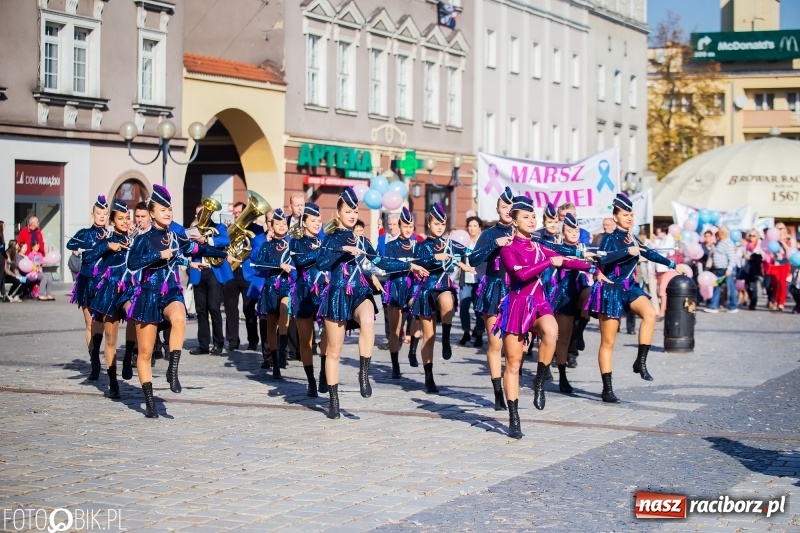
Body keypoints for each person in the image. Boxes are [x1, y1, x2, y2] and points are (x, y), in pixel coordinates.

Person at [494, 196, 601, 438]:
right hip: (517, 306)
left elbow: (566, 262)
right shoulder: (508, 249)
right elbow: (521, 276)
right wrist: (547, 262)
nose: (531, 220)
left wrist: (592, 267)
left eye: (533, 216)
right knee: (513, 363)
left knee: (552, 331)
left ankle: (539, 381)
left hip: (539, 303)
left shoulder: (540, 246)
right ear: (513, 220)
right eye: (526, 217)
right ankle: (514, 417)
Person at [316, 187, 428, 419]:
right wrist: (342, 250)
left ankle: (364, 374)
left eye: (355, 211)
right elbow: (321, 263)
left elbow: (381, 263)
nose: (352, 215)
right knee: (334, 351)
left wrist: (409, 266)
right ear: (338, 214)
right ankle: (334, 401)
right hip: (337, 294)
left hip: (359, 292)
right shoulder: (330, 239)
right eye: (348, 211)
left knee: (368, 320)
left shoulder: (364, 242)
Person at [126, 185, 226, 418]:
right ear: (152, 213)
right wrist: (158, 255)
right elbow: (132, 263)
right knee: (145, 352)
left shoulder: (175, 235)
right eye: (163, 209)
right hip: (148, 293)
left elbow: (194, 247)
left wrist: (223, 253)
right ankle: (150, 402)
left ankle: (173, 369)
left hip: (170, 289)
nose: (168, 213)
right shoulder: (144, 239)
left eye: (170, 209)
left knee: (180, 317)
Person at [587, 194, 691, 403]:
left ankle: (640, 361)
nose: (630, 218)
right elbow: (603, 257)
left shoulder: (633, 237)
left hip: (630, 287)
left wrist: (673, 265)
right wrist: (628, 251)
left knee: (650, 314)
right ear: (615, 217)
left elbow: (650, 253)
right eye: (625, 214)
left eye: (631, 215)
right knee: (608, 341)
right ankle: (607, 388)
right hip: (611, 289)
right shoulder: (609, 237)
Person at [410, 203, 474, 394]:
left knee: (448, 300)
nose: (439, 227)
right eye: (436, 223)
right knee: (428, 337)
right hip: (426, 290)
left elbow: (469, 252)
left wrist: (491, 247)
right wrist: (435, 257)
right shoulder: (421, 246)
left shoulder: (450, 243)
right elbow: (418, 261)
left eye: (442, 223)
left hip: (443, 287)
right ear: (429, 223)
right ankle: (429, 377)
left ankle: (446, 338)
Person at [468, 186, 515, 410]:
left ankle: (512, 382)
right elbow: (473, 259)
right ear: (497, 209)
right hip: (495, 287)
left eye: (511, 207)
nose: (508, 210)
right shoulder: (488, 234)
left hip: (516, 290)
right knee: (495, 343)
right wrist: (494, 244)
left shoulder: (522, 232)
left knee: (516, 347)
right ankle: (498, 393)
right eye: (504, 206)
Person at [88, 199, 136, 399]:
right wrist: (109, 246)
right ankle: (113, 382)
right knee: (110, 338)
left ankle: (127, 357)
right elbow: (90, 256)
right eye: (121, 218)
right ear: (112, 220)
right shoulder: (106, 239)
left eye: (127, 218)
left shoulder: (135, 239)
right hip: (109, 291)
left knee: (134, 314)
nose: (125, 221)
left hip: (128, 289)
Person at [67, 196, 110, 380]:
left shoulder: (111, 234)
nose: (101, 216)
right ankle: (94, 361)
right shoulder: (85, 232)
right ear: (92, 214)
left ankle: (102, 356)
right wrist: (84, 245)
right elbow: (70, 244)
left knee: (103, 322)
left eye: (104, 214)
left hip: (103, 282)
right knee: (89, 323)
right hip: (86, 281)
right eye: (98, 213)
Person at [288, 202, 327, 396]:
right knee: (306, 341)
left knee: (327, 335)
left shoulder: (326, 240)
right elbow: (300, 261)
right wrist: (322, 252)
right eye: (313, 220)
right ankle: (310, 380)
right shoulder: (296, 242)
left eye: (319, 220)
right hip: (303, 293)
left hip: (324, 292)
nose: (317, 223)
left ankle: (323, 373)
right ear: (304, 222)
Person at [254, 208, 294, 377]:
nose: (281, 226)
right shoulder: (266, 246)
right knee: (271, 326)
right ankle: (275, 363)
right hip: (271, 287)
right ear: (271, 227)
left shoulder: (293, 244)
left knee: (285, 310)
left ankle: (283, 349)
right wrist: (279, 266)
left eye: (284, 223)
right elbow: (259, 265)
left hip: (287, 286)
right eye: (278, 223)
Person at [187, 204, 231, 356]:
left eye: (204, 213)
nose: (201, 216)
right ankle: (203, 344)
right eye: (198, 214)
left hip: (213, 271)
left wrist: (206, 239)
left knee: (214, 308)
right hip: (198, 270)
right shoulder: (193, 230)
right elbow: (186, 246)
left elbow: (225, 240)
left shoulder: (218, 227)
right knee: (200, 310)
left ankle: (218, 343)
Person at [383, 207, 420, 379]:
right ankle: (395, 364)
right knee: (395, 330)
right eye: (405, 226)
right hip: (396, 287)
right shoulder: (391, 246)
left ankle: (412, 350)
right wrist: (408, 265)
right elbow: (388, 266)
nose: (408, 229)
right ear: (399, 226)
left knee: (418, 312)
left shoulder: (418, 245)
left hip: (413, 286)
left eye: (411, 226)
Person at [223, 201, 261, 351]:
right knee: (230, 308)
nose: (237, 215)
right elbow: (223, 247)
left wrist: (249, 249)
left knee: (249, 308)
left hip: (247, 272)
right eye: (235, 213)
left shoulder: (256, 229)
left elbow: (259, 248)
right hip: (231, 272)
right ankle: (232, 341)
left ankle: (253, 341)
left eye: (239, 212)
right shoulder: (228, 229)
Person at [458, 216, 486, 348]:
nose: (472, 228)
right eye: (470, 226)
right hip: (466, 279)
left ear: (480, 227)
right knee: (463, 307)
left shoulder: (484, 241)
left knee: (478, 309)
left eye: (475, 226)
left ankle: (479, 334)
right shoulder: (464, 241)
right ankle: (466, 332)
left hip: (480, 279)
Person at [704, 227, 738, 314]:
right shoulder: (720, 242)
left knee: (730, 288)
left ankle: (733, 306)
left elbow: (732, 258)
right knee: (716, 287)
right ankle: (713, 306)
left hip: (725, 269)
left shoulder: (728, 243)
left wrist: (729, 269)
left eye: (719, 233)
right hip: (718, 269)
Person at [652, 224, 676, 319]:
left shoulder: (670, 239)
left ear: (664, 231)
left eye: (660, 232)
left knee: (663, 291)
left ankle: (662, 312)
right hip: (659, 269)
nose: (658, 234)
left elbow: (663, 250)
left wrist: (656, 247)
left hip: (667, 269)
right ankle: (663, 310)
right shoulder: (659, 240)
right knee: (659, 291)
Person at [741, 229, 763, 310]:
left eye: (753, 236)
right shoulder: (746, 244)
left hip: (756, 266)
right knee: (746, 285)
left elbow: (762, 255)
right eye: (750, 235)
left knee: (754, 285)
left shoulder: (760, 244)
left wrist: (752, 257)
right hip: (747, 266)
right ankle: (751, 298)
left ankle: (753, 303)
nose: (751, 237)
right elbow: (742, 254)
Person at [0, 221, 7, 303]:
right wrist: (6, 257)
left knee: (2, 276)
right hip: (1, 256)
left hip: (1, 256)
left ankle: (3, 293)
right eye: (4, 225)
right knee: (1, 275)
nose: (5, 227)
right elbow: (1, 248)